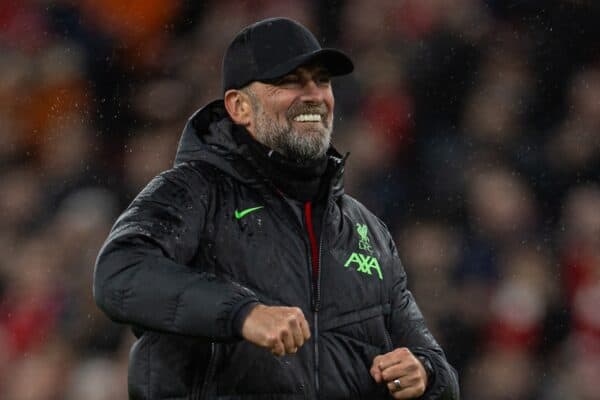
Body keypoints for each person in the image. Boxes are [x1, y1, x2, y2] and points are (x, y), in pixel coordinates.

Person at [93, 17, 460, 400]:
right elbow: (119, 273)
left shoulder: (366, 229)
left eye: (322, 80)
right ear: (239, 106)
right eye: (289, 81)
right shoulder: (195, 190)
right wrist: (242, 313)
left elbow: (440, 372)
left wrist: (425, 373)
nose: (314, 94)